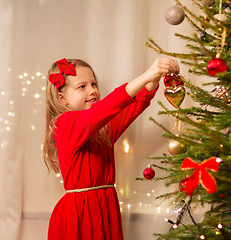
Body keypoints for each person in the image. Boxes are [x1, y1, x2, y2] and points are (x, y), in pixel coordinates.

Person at [43, 57, 179, 240]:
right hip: (79, 216)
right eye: (82, 87)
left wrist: (152, 81)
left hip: (105, 208)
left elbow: (132, 107)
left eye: (94, 84)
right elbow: (106, 107)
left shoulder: (102, 129)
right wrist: (146, 75)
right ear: (63, 98)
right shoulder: (64, 125)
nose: (93, 91)